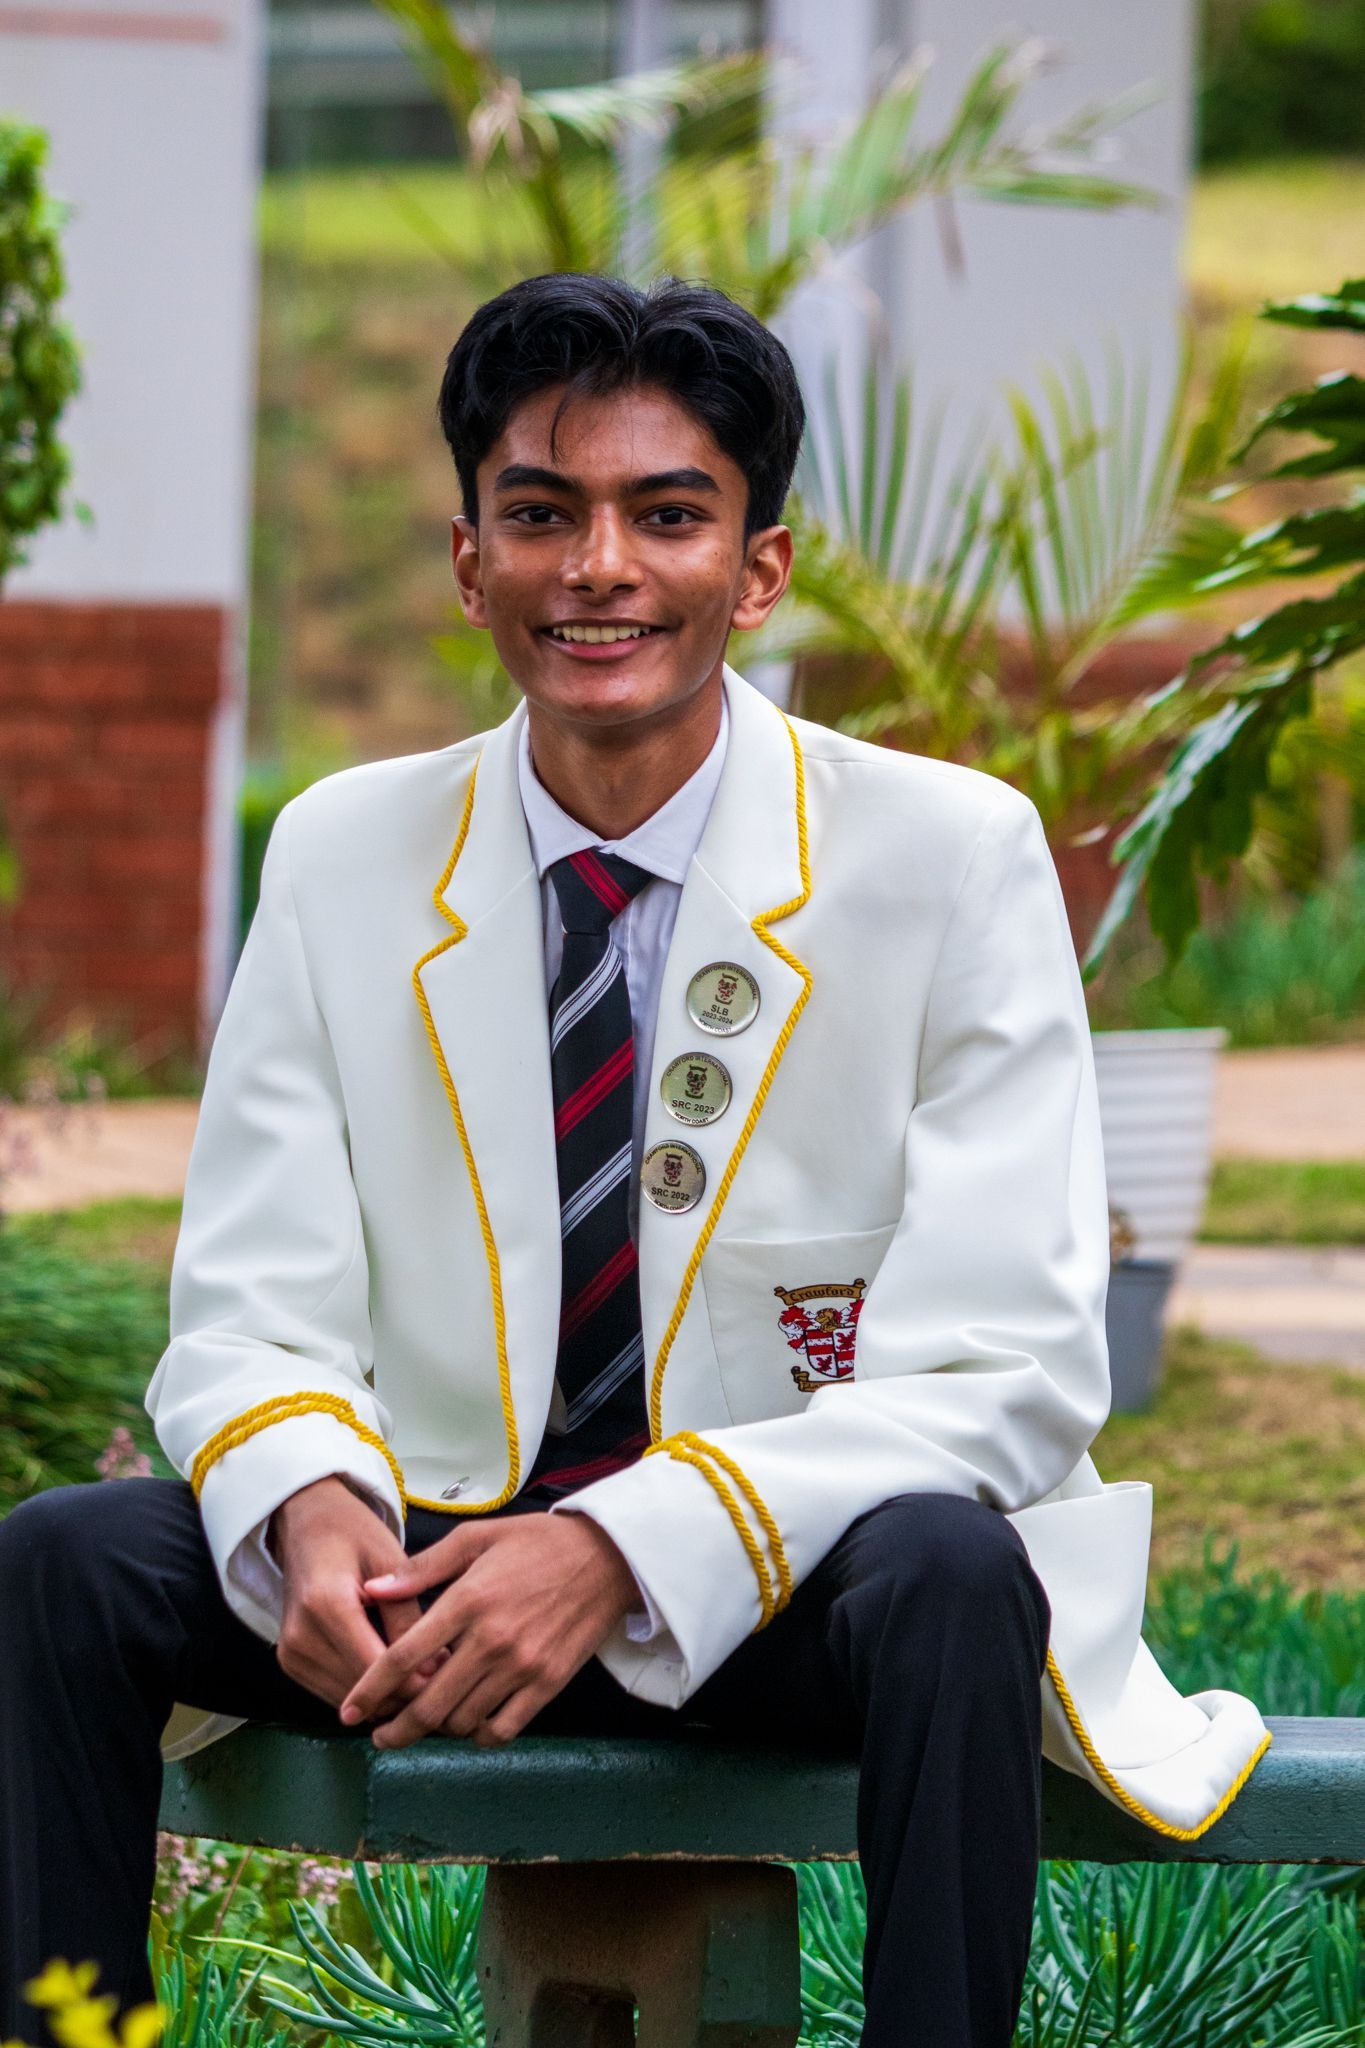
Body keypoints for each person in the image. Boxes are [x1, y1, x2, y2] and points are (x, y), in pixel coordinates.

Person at [0, 273, 1269, 2048]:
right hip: (428, 1569)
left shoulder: (948, 854)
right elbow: (247, 1309)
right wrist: (310, 1509)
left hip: (784, 1586)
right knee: (70, 1560)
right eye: (540, 513)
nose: (598, 566)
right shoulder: (345, 854)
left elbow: (1015, 1365)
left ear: (757, 567)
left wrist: (616, 1545)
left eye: (666, 514)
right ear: (468, 560)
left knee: (959, 1577)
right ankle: (68, 2037)